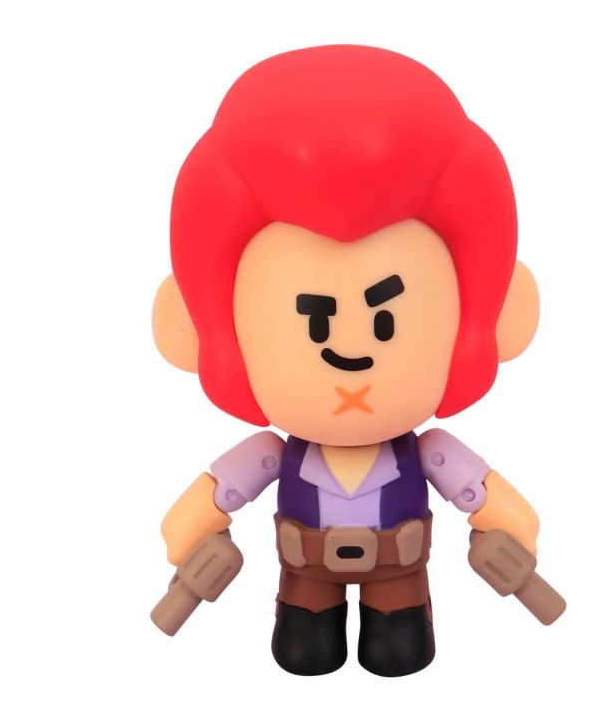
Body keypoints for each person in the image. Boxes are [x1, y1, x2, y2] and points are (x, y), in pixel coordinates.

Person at [151, 44, 544, 677]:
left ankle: (398, 626)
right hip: (306, 578)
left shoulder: (430, 452)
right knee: (304, 650)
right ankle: (311, 627)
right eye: (315, 322)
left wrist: (514, 524)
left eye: (386, 320)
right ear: (195, 327)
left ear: (499, 314)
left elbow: (483, 495)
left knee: (400, 650)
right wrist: (190, 529)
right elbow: (215, 496)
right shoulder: (272, 455)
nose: (352, 353)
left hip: (400, 575)